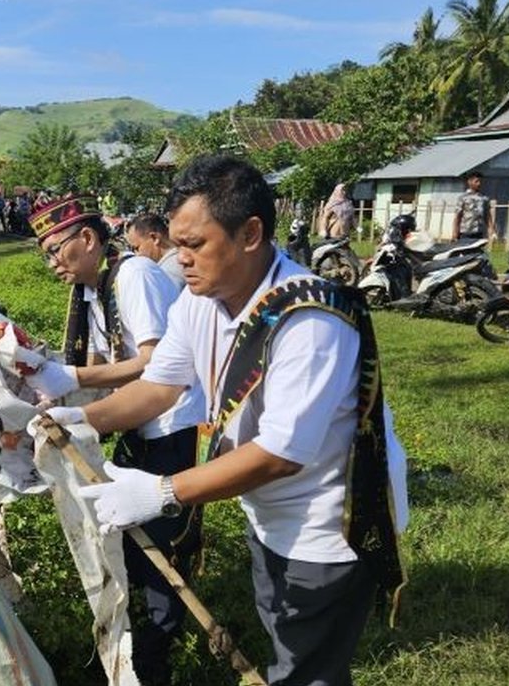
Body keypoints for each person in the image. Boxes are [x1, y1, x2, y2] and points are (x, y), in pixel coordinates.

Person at [37, 154, 408, 686]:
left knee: (308, 667)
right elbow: (160, 387)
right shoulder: (200, 302)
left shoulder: (310, 322)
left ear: (250, 233)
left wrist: (165, 492)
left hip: (328, 521)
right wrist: (77, 421)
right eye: (176, 242)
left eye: (195, 245)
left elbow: (281, 454)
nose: (179, 258)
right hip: (270, 509)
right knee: (284, 632)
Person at [23, 194, 204, 686]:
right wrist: (55, 381)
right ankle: (141, 628)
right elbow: (107, 365)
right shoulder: (93, 291)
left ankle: (157, 650)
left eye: (56, 249)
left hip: (168, 421)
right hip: (137, 421)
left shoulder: (133, 277)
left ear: (88, 239)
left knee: (166, 535)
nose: (52, 263)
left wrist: (73, 378)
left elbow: (152, 360)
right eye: (45, 253)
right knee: (122, 524)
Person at [125, 212, 185, 290]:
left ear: (154, 238)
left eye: (137, 248)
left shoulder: (168, 274)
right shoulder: (181, 260)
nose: (137, 255)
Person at [453, 171, 495, 241]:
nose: (479, 184)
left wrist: (492, 231)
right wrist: (455, 233)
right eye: (476, 181)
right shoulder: (463, 198)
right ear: (469, 182)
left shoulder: (484, 199)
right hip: (465, 234)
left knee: (477, 252)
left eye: (480, 181)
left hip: (479, 234)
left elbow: (487, 217)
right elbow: (457, 217)